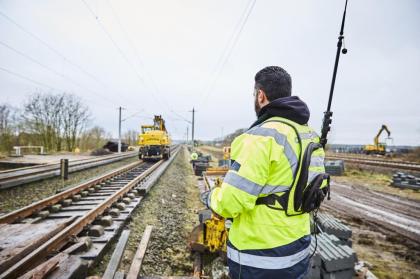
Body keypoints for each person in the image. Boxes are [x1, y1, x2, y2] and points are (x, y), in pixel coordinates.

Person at [206, 66, 327, 279]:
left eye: (254, 94)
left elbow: (231, 202)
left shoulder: (260, 137)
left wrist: (211, 197)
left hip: (259, 260)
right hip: (298, 253)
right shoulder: (310, 136)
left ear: (261, 95)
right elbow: (317, 191)